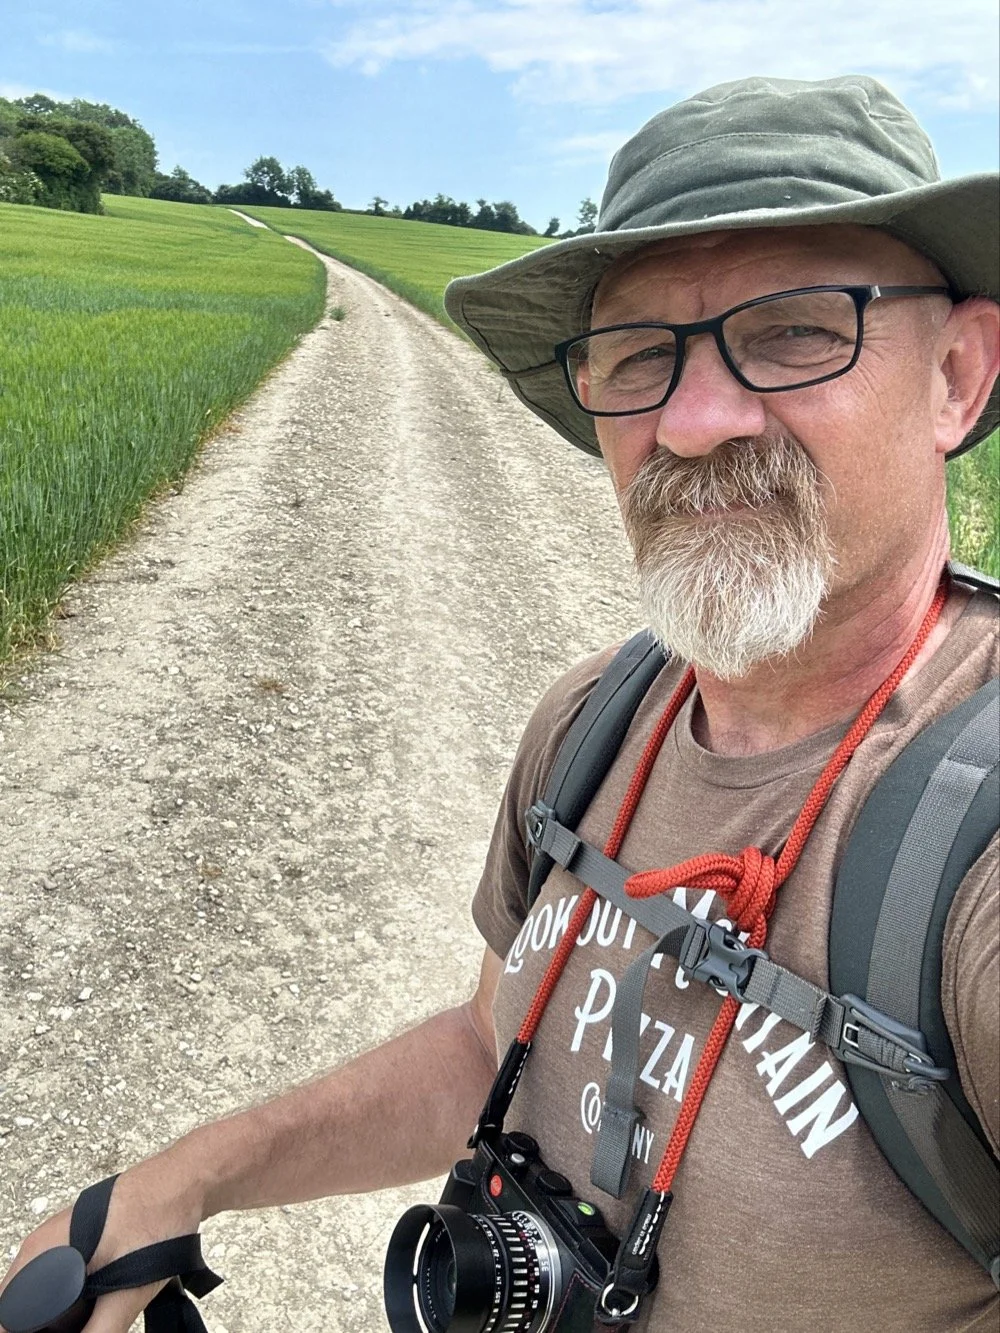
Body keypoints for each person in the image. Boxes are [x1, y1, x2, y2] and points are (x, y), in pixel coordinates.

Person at [2, 74, 997, 1333]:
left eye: (797, 329)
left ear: (956, 378)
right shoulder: (596, 720)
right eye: (640, 353)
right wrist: (180, 1181)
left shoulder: (973, 845)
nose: (691, 422)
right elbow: (494, 1039)